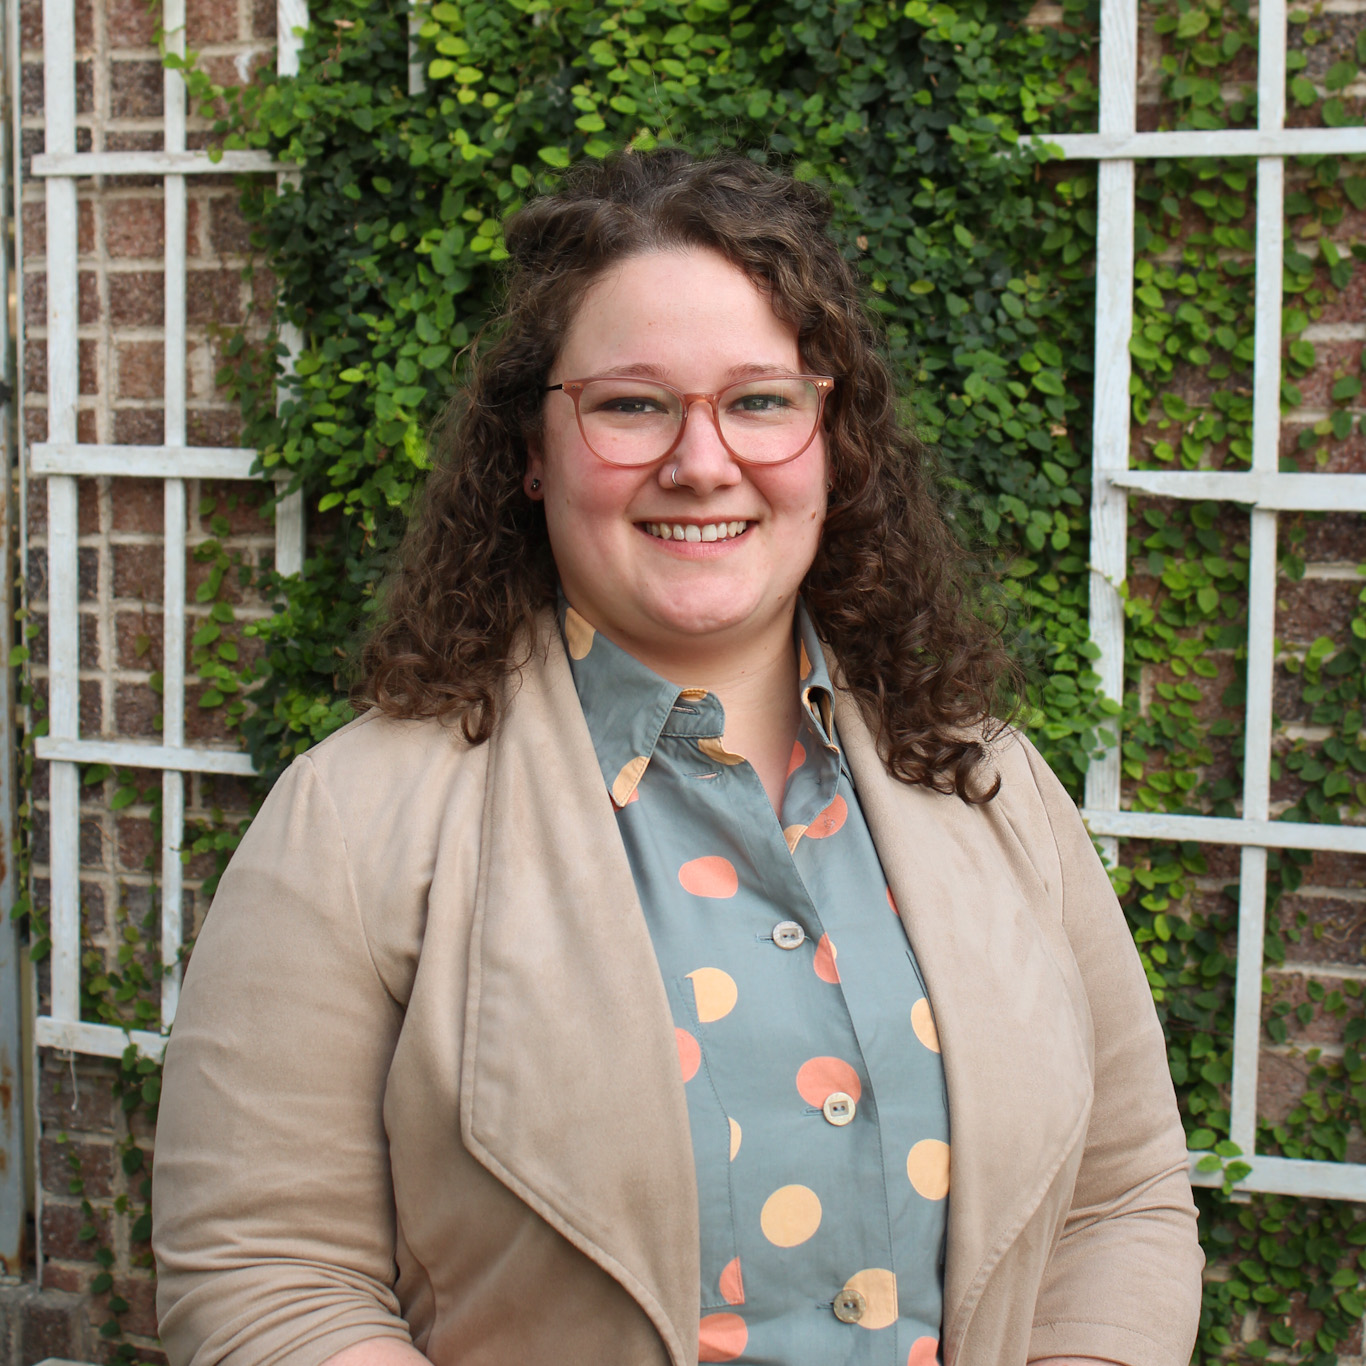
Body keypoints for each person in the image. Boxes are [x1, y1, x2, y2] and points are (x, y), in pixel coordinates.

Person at [152, 149, 1203, 1366]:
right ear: (531, 449)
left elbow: (1121, 1195)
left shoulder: (991, 785)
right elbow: (266, 1273)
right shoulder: (355, 821)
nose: (702, 462)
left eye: (760, 400)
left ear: (830, 439)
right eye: (632, 403)